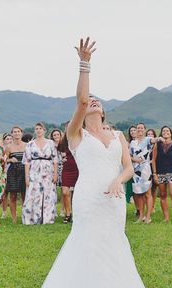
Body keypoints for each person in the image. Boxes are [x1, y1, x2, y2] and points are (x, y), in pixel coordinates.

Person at [43, 37, 143, 287]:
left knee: (114, 243)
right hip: (89, 198)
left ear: (104, 112)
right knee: (87, 244)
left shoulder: (118, 136)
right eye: (91, 101)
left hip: (114, 200)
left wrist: (119, 180)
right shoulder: (76, 134)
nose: (93, 101)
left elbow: (129, 167)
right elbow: (82, 100)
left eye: (99, 101)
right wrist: (84, 64)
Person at [22, 122, 58, 225]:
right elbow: (26, 162)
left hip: (48, 170)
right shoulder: (30, 144)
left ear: (44, 130)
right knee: (33, 193)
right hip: (34, 170)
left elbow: (55, 160)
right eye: (37, 128)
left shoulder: (51, 143)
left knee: (48, 193)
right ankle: (32, 218)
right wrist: (27, 177)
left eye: (40, 128)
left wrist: (55, 174)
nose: (38, 130)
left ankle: (47, 218)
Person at [151, 126, 172, 224]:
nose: (166, 132)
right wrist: (155, 174)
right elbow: (153, 160)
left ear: (170, 133)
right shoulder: (157, 145)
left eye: (167, 131)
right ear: (161, 133)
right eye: (164, 131)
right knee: (163, 195)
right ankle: (166, 217)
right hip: (160, 173)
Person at [130, 123, 158, 223]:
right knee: (138, 193)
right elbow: (129, 156)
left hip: (145, 169)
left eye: (142, 128)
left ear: (145, 129)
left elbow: (153, 140)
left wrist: (159, 138)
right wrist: (135, 159)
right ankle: (141, 216)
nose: (139, 129)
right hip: (135, 170)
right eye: (138, 128)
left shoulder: (147, 140)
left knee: (147, 193)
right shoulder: (132, 143)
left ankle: (148, 216)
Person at [5, 126, 27, 223]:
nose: (16, 133)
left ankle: (24, 216)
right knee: (13, 195)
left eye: (18, 131)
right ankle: (14, 218)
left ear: (21, 133)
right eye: (14, 132)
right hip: (13, 172)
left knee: (24, 195)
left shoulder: (27, 145)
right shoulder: (9, 147)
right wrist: (10, 159)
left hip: (24, 171)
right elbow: (4, 159)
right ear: (12, 134)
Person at [58, 132, 79, 224]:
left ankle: (76, 214)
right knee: (65, 192)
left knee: (77, 192)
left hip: (78, 168)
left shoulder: (79, 141)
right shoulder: (63, 143)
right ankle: (68, 213)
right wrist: (61, 159)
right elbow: (56, 154)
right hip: (66, 169)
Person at [1, 132, 14, 218]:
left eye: (10, 139)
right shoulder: (3, 149)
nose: (9, 140)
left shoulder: (14, 148)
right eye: (7, 139)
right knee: (4, 193)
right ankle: (4, 212)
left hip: (13, 171)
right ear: (4, 140)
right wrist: (9, 160)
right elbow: (3, 160)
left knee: (12, 192)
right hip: (4, 171)